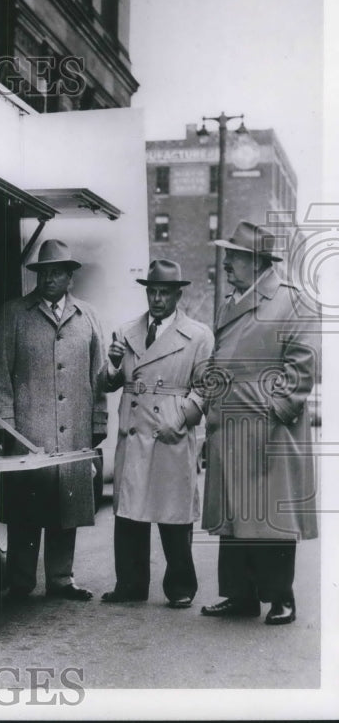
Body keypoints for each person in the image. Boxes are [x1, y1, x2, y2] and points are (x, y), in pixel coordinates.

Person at [200, 221, 319, 626]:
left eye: (233, 255)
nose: (227, 262)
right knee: (234, 517)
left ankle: (280, 597)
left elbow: (300, 372)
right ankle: (240, 596)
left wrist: (269, 414)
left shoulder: (293, 302)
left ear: (257, 261)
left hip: (267, 429)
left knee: (271, 516)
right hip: (228, 424)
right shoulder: (231, 302)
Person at [0, 239, 107, 601]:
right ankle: (21, 581)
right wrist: (3, 429)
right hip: (27, 431)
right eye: (44, 272)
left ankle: (61, 579)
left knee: (65, 504)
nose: (49, 278)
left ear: (71, 278)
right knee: (26, 506)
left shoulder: (89, 317)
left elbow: (98, 375)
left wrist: (98, 423)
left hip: (74, 430)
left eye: (57, 272)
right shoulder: (15, 314)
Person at [100, 259, 214, 608]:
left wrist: (178, 418)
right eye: (153, 292)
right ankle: (130, 585)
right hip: (134, 431)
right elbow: (107, 382)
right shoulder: (126, 332)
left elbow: (205, 388)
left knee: (173, 513)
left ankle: (180, 587)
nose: (157, 299)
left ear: (178, 295)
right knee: (130, 512)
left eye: (165, 293)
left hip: (169, 431)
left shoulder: (198, 336)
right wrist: (115, 362)